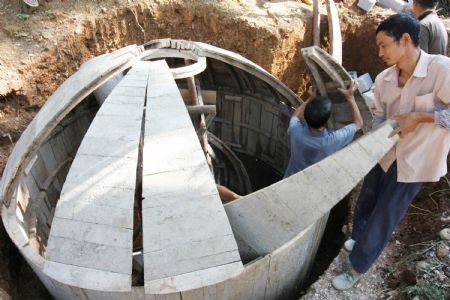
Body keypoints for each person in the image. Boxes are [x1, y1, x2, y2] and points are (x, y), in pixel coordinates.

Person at [332, 13, 450, 290]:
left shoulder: (441, 71)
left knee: (385, 214)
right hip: (384, 153)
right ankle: (358, 237)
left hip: (414, 161)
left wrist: (421, 117)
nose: (380, 52)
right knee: (367, 199)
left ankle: (357, 267)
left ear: (405, 40)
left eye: (384, 45)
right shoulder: (385, 79)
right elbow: (381, 117)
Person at [283, 83, 363, 178]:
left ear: (306, 115)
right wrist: (350, 97)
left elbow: (295, 116)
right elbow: (359, 124)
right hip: (314, 186)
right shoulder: (330, 142)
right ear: (326, 120)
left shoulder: (295, 131)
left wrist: (310, 99)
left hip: (288, 180)